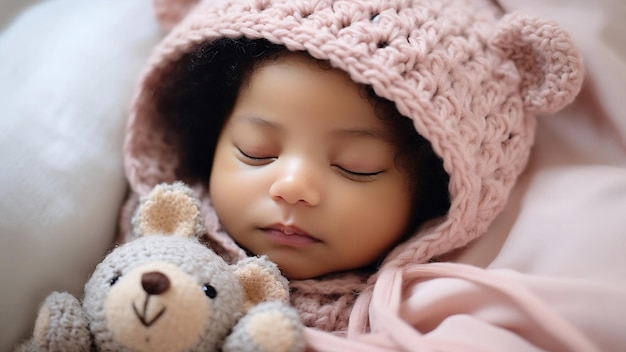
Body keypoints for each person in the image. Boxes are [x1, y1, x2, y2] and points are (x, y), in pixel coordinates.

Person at [120, 0, 596, 350]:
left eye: (355, 167)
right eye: (256, 152)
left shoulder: (430, 313)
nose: (292, 188)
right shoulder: (155, 240)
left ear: (436, 195)